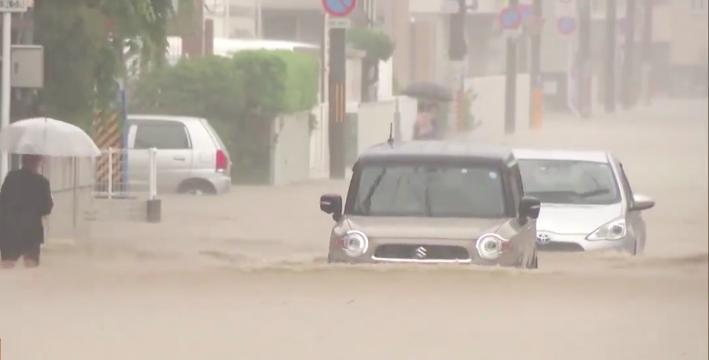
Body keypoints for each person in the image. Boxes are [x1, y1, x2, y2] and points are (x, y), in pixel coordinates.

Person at [0, 154, 53, 268]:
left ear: (23, 161)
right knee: (30, 268)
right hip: (31, 232)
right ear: (38, 162)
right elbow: (47, 209)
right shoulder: (42, 182)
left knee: (7, 266)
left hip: (9, 230)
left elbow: (2, 201)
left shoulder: (11, 177)